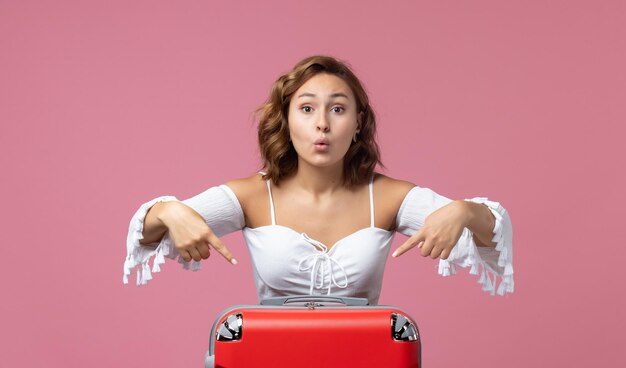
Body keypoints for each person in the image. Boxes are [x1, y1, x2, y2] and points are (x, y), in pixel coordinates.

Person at [123, 55, 513, 305]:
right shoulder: (251, 196)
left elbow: (492, 231)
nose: (322, 124)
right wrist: (170, 211)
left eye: (338, 109)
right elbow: (145, 233)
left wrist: (464, 211)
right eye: (307, 108)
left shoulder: (390, 197)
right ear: (286, 119)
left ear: (358, 123)